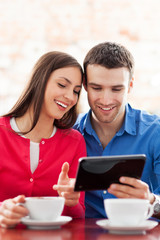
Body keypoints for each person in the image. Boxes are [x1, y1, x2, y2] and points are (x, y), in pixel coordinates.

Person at [73, 42, 160, 218]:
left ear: (130, 85)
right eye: (97, 88)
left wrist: (151, 201)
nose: (106, 100)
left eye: (116, 89)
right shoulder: (70, 133)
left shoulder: (155, 133)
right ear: (85, 85)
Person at [0, 51, 87, 228]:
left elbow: (79, 215)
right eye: (62, 85)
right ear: (40, 80)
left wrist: (71, 201)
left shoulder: (75, 142)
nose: (70, 97)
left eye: (76, 91)